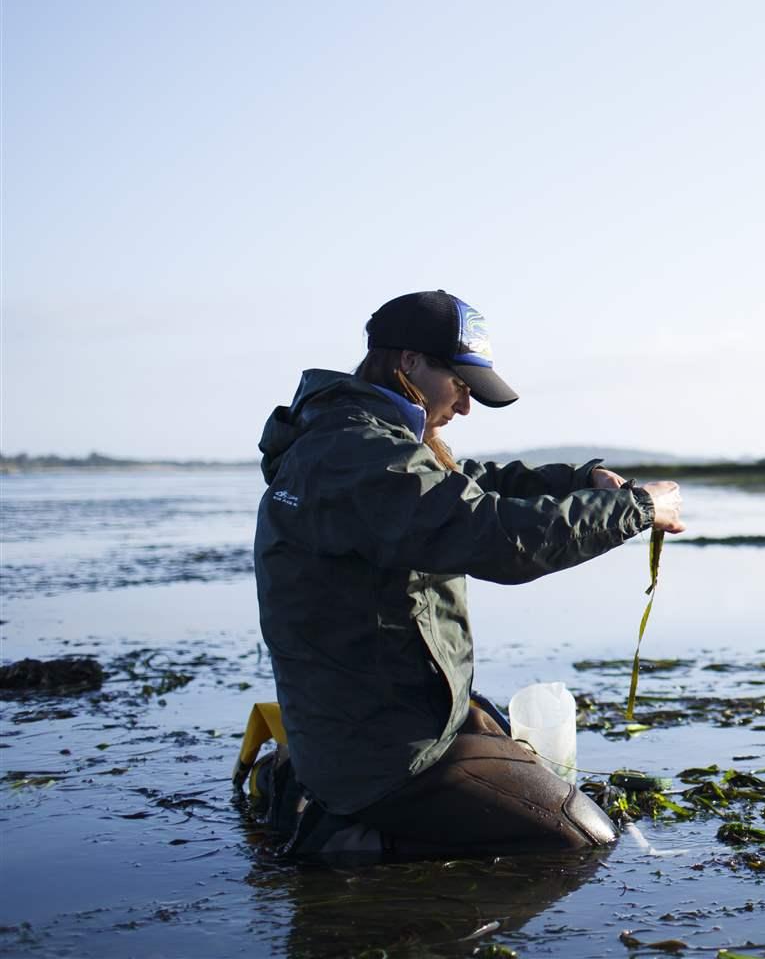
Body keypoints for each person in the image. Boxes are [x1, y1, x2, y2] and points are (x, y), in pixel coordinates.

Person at [253, 289, 684, 858]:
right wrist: (635, 510)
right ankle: (341, 834)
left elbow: (470, 482)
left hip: (392, 718)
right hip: (383, 754)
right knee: (580, 837)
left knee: (508, 742)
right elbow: (496, 537)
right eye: (460, 383)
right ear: (408, 363)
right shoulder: (355, 454)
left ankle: (315, 782)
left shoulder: (363, 439)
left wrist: (580, 480)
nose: (465, 406)